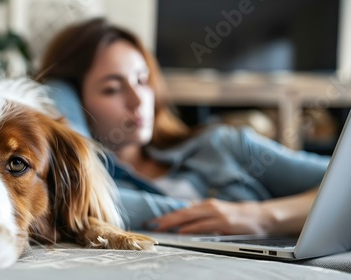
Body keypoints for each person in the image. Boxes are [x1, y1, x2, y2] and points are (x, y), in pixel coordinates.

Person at [35, 18, 330, 236]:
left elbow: (344, 183)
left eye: (142, 80)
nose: (138, 100)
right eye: (112, 89)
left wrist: (263, 217)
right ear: (75, 101)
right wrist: (56, 90)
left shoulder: (223, 144)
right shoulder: (83, 189)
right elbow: (80, 189)